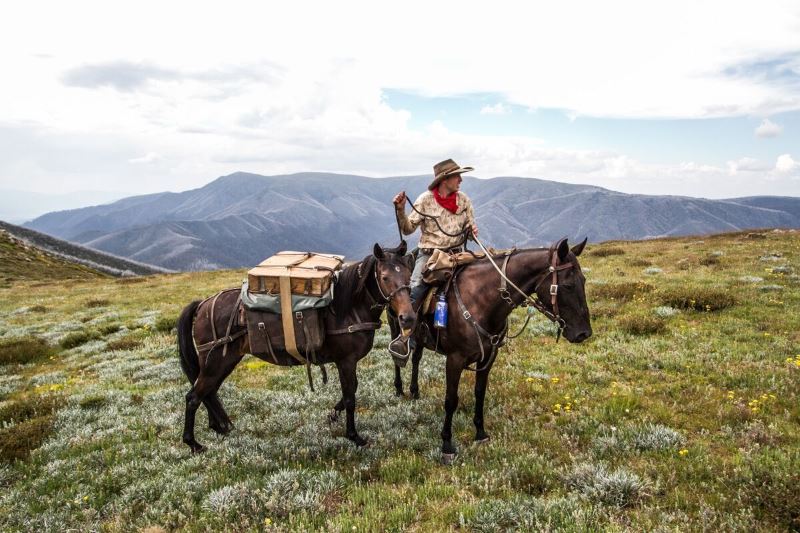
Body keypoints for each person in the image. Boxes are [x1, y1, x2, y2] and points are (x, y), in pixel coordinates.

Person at [393, 158, 479, 309]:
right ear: (444, 179)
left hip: (457, 255)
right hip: (430, 256)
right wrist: (401, 210)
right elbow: (407, 229)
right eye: (457, 176)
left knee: (480, 284)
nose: (461, 179)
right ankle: (408, 330)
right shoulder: (425, 200)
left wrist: (472, 232)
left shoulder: (464, 200)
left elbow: (470, 230)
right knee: (414, 292)